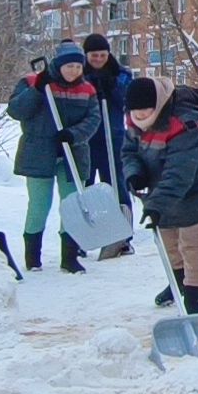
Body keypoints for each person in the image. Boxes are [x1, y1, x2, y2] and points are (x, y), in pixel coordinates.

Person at [122, 76, 198, 314]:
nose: (139, 117)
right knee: (168, 238)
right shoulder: (136, 122)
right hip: (165, 187)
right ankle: (178, 281)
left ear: (158, 105)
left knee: (191, 242)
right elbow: (129, 152)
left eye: (145, 111)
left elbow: (180, 173)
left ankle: (194, 298)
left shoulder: (184, 124)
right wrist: (134, 174)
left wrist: (157, 204)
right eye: (135, 112)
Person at [9, 40, 102, 273]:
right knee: (39, 205)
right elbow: (16, 110)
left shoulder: (87, 90)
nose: (74, 71)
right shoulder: (33, 83)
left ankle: (69, 257)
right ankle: (33, 258)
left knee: (72, 204)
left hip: (73, 153)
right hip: (38, 153)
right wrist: (37, 91)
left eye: (78, 67)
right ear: (58, 66)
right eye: (69, 66)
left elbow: (93, 119)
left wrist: (73, 134)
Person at [81, 33, 136, 260]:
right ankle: (82, 237)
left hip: (113, 138)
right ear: (86, 55)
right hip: (85, 139)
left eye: (103, 55)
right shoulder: (78, 74)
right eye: (94, 55)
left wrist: (111, 87)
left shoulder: (121, 74)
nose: (99, 59)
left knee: (117, 185)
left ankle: (123, 237)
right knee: (84, 187)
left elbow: (129, 99)